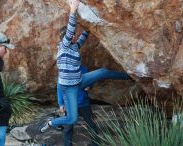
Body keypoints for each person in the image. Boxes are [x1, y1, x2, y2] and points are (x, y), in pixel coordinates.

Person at [40, 0, 132, 133]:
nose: (74, 36)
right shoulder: (64, 47)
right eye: (72, 36)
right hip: (68, 86)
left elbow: (84, 35)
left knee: (102, 72)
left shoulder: (74, 46)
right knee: (72, 119)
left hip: (79, 80)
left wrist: (91, 24)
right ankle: (51, 123)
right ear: (66, 37)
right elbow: (71, 28)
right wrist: (73, 10)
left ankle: (129, 76)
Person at [58, 66, 131, 146]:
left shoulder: (83, 69)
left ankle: (95, 144)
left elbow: (90, 81)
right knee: (68, 128)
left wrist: (89, 86)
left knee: (91, 124)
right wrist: (61, 104)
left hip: (84, 103)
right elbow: (59, 88)